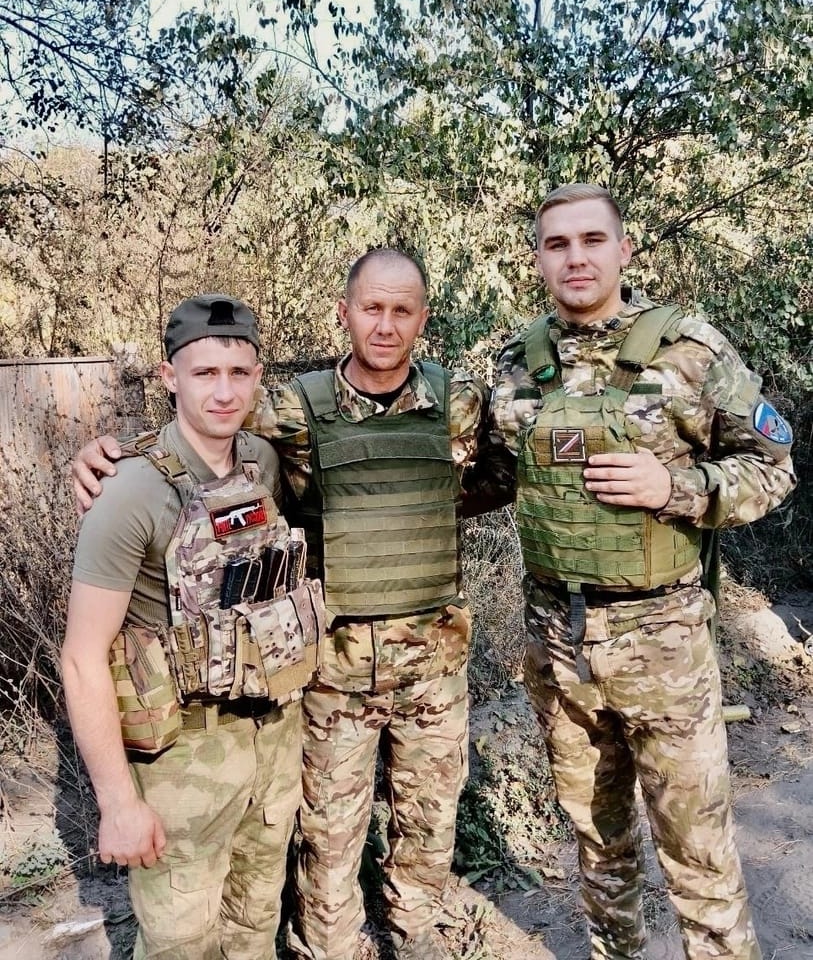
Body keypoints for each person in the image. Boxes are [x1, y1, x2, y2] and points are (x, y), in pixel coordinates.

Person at [71, 250, 511, 960]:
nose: (386, 325)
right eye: (371, 307)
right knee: (311, 852)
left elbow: (505, 471)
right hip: (305, 684)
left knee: (400, 841)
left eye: (402, 310)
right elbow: (196, 430)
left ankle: (414, 935)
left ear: (423, 319)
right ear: (344, 313)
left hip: (393, 678)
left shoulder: (455, 403)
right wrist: (105, 454)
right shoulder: (287, 411)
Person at [491, 183, 796, 959]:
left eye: (591, 240)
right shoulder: (515, 363)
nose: (575, 257)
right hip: (557, 646)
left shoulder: (690, 350)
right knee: (598, 847)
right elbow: (486, 476)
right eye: (556, 244)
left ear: (623, 250)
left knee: (697, 858)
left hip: (664, 646)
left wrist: (676, 488)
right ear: (537, 260)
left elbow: (773, 468)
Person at [62, 294, 324, 960]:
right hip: (182, 763)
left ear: (258, 377)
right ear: (168, 376)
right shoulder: (130, 492)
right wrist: (119, 803)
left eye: (239, 373)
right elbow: (82, 659)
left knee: (254, 927)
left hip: (273, 742)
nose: (223, 391)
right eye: (204, 373)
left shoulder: (262, 462)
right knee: (181, 944)